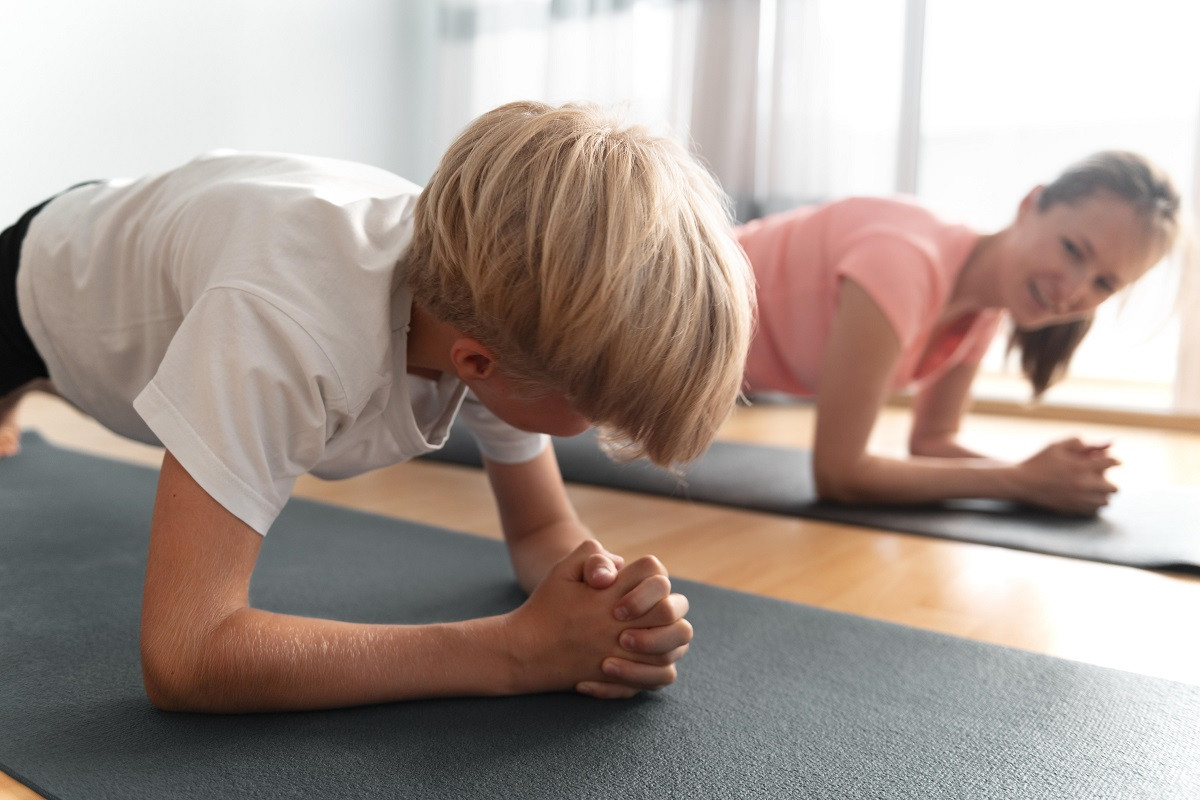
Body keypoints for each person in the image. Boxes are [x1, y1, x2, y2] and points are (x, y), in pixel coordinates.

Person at [0, 101, 756, 712]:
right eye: (597, 409)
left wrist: (601, 605)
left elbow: (540, 528)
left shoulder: (489, 295)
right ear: (477, 364)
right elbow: (187, 655)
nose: (598, 425)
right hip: (45, 276)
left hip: (161, 238)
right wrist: (514, 652)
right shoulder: (286, 326)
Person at [738, 151, 1180, 516]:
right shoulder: (904, 261)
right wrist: (1021, 482)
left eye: (1104, 284)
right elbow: (839, 473)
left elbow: (932, 441)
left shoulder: (984, 308)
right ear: (1031, 204)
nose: (1072, 291)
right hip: (670, 306)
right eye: (1071, 249)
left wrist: (1044, 475)